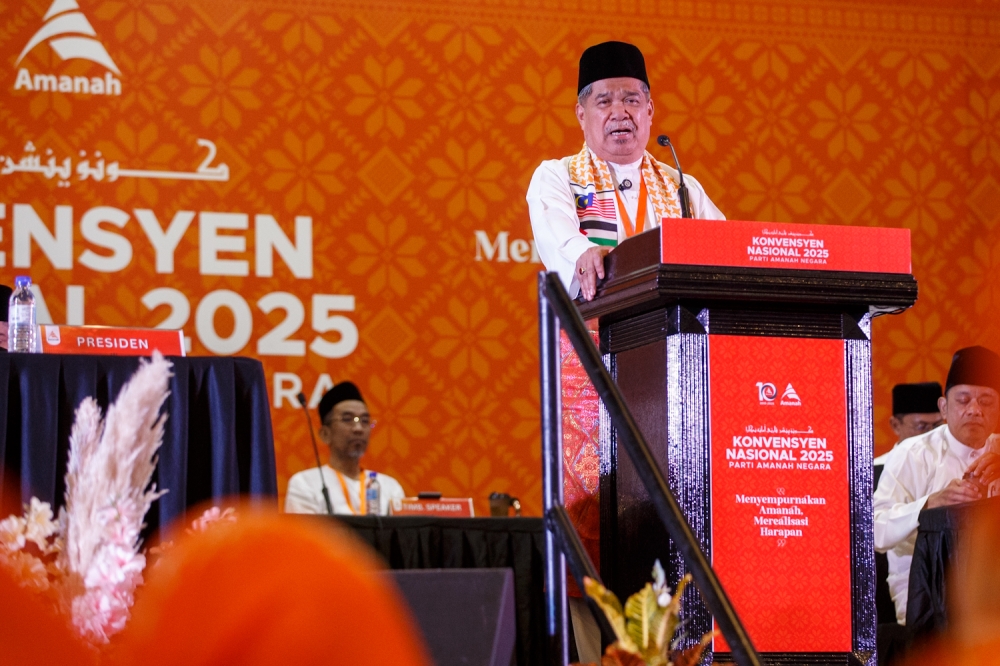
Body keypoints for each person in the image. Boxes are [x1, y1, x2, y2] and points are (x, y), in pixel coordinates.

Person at [526, 40, 725, 302]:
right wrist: (585, 254)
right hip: (594, 335)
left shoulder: (682, 188)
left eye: (631, 100)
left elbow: (725, 256)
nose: (620, 112)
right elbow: (560, 237)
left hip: (669, 335)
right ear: (581, 115)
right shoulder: (558, 176)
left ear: (649, 110)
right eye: (604, 102)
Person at [874, 346, 1000, 625]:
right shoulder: (912, 454)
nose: (975, 410)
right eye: (964, 400)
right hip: (925, 602)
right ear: (944, 407)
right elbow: (874, 531)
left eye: (987, 401)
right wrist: (928, 505)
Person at [284, 382, 405, 515]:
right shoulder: (305, 484)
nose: (358, 428)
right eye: (347, 419)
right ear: (325, 434)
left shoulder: (389, 487)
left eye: (364, 421)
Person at [874, 382, 943, 483]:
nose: (931, 433)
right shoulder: (875, 471)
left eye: (937, 426)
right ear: (896, 425)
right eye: (921, 427)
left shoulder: (952, 465)